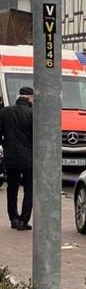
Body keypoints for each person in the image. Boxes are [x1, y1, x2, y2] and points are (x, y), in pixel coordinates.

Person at [0, 87, 34, 230]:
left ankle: (13, 218)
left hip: (10, 158)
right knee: (29, 190)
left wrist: (5, 145)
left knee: (12, 188)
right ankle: (23, 220)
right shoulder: (32, 114)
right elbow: (36, 137)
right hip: (28, 159)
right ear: (30, 98)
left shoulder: (4, 112)